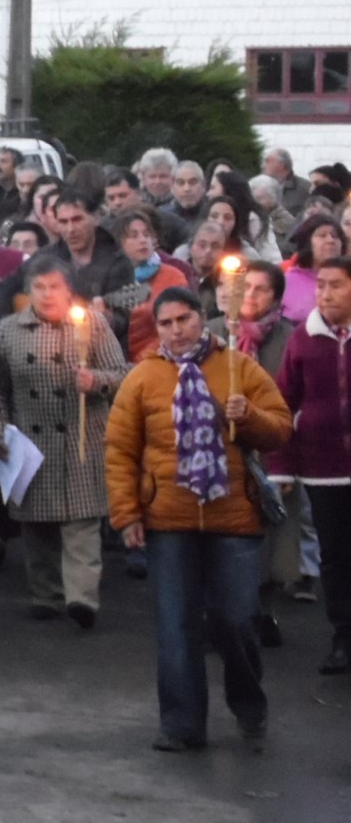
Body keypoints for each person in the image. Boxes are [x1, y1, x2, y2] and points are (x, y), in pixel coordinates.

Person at [105, 286, 292, 752]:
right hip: (168, 517)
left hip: (233, 516)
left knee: (235, 619)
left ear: (202, 318)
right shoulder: (143, 377)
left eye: (184, 320)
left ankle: (249, 703)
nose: (176, 331)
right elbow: (121, 451)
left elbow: (281, 428)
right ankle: (182, 724)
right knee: (176, 625)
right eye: (165, 324)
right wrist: (127, 513)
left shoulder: (239, 367)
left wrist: (248, 416)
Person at [0, 256, 128, 629]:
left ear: (70, 291)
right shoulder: (8, 330)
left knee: (81, 526)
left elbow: (122, 374)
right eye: (39, 287)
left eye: (55, 287)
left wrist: (96, 380)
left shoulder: (95, 325)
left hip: (80, 437)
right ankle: (45, 593)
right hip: (30, 440)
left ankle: (82, 598)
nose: (47, 294)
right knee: (36, 529)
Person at [206, 261, 296, 648]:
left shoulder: (290, 338)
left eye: (261, 289)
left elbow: (293, 400)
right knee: (220, 536)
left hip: (273, 449)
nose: (250, 296)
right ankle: (218, 616)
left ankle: (260, 610)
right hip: (219, 452)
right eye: (245, 287)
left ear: (276, 296)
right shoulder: (211, 334)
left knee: (270, 539)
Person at [274, 256, 351, 675]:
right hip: (323, 467)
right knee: (335, 555)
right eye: (320, 285)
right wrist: (282, 465)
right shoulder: (304, 338)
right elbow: (284, 401)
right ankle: (343, 636)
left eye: (336, 285)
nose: (325, 293)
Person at [45, 189, 135, 342]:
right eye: (63, 222)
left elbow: (123, 320)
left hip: (102, 351)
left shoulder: (117, 261)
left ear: (96, 218)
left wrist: (107, 319)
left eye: (77, 219)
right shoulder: (46, 258)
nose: (70, 229)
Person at [112, 207, 198, 362]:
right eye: (134, 236)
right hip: (114, 361)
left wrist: (144, 360)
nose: (143, 240)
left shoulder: (173, 276)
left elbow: (180, 324)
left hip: (161, 360)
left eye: (146, 234)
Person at [283, 218, 342, 322]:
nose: (330, 240)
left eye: (335, 236)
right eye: (322, 236)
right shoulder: (287, 281)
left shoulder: (347, 280)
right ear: (307, 243)